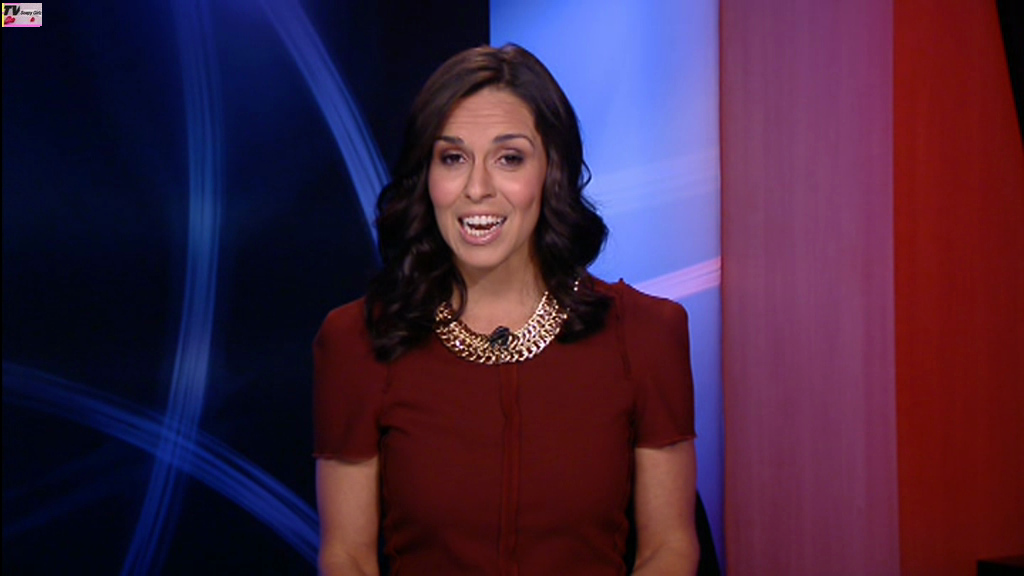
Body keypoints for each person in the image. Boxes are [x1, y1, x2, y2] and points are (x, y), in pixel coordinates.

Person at [313, 44, 699, 575]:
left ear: (552, 171)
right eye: (453, 158)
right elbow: (347, 557)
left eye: (509, 158)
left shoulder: (646, 334)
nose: (477, 189)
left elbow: (668, 550)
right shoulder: (357, 340)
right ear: (426, 176)